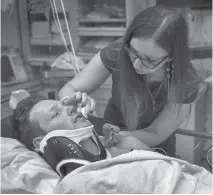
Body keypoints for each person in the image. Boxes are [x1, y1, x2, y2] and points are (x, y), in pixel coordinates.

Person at [59, 6, 202, 157]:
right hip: (107, 136)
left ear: (172, 57)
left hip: (152, 147)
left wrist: (117, 138)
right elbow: (70, 87)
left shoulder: (186, 81)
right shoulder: (117, 51)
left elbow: (155, 133)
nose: (136, 65)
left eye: (150, 60)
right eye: (133, 52)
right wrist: (72, 101)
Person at [11, 92, 151, 175]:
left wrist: (126, 142)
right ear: (39, 142)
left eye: (65, 105)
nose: (70, 108)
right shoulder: (74, 184)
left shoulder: (122, 146)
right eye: (56, 113)